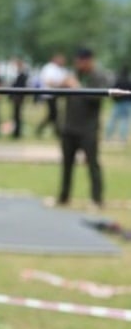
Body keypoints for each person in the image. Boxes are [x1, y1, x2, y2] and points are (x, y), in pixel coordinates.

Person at [56, 47, 108, 210]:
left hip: (88, 129)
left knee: (92, 164)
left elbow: (96, 99)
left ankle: (97, 199)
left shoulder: (98, 77)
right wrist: (63, 85)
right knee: (66, 164)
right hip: (70, 127)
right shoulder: (74, 74)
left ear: (89, 61)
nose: (79, 65)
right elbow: (59, 94)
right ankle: (64, 197)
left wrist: (77, 86)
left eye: (82, 62)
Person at [35, 53, 68, 138]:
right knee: (53, 114)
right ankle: (55, 131)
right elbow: (48, 81)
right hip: (49, 94)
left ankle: (56, 131)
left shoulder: (57, 69)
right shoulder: (50, 68)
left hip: (54, 94)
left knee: (54, 114)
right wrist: (59, 85)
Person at [104, 64, 130, 144]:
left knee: (112, 120)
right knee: (124, 121)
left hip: (118, 103)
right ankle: (122, 138)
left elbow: (112, 91)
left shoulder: (118, 80)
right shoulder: (129, 81)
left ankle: (107, 137)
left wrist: (115, 100)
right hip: (127, 103)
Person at [8, 57, 29, 140]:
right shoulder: (18, 75)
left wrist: (19, 97)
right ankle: (16, 132)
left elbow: (22, 88)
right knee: (16, 115)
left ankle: (17, 133)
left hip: (18, 98)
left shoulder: (22, 76)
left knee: (17, 115)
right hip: (16, 98)